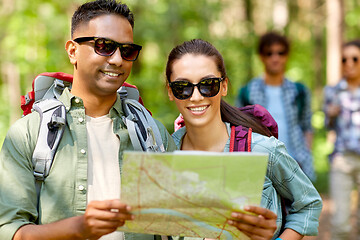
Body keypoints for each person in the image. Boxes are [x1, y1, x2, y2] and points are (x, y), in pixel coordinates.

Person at [0, 0, 176, 239]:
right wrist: (78, 229)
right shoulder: (29, 133)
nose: (117, 60)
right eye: (104, 46)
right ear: (73, 51)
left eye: (127, 51)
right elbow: (10, 230)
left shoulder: (152, 134)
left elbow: (180, 226)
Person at [166, 39, 322, 240]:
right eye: (182, 87)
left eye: (208, 85)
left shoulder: (263, 150)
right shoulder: (164, 154)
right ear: (170, 91)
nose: (196, 97)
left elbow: (308, 203)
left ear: (224, 87)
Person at [236, 32, 315, 181]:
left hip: (296, 164)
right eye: (269, 53)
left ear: (287, 56)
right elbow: (239, 130)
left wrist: (304, 154)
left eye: (281, 52)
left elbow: (307, 126)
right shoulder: (247, 92)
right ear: (261, 56)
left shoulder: (299, 91)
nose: (275, 58)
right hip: (260, 166)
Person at [324, 39, 360, 240]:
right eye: (344, 59)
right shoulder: (333, 91)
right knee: (340, 224)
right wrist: (330, 114)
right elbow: (327, 126)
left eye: (354, 58)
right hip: (342, 160)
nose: (349, 63)